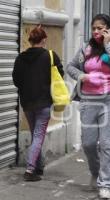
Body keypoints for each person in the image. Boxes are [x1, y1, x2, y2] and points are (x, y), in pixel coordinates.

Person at [67, 14, 110, 199]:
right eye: (94, 28)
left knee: (108, 144)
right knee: (88, 143)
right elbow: (70, 67)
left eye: (100, 28)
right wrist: (81, 76)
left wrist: (109, 44)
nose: (96, 31)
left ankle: (105, 183)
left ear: (108, 29)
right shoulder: (86, 48)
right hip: (88, 100)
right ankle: (95, 172)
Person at [12, 26, 64, 181]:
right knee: (39, 135)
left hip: (27, 102)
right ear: (43, 40)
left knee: (36, 134)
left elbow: (16, 80)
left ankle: (39, 167)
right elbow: (60, 75)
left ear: (31, 40)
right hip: (43, 102)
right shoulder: (50, 56)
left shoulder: (20, 58)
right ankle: (29, 170)